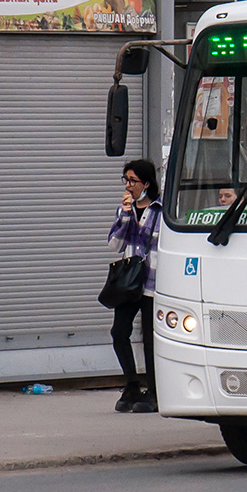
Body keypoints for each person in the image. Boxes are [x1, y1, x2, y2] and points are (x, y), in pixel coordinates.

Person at [108, 159, 163, 413]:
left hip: (152, 282)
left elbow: (151, 244)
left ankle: (154, 391)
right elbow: (114, 245)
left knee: (151, 339)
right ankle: (131, 384)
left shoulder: (160, 211)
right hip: (128, 283)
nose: (128, 186)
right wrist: (125, 216)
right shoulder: (125, 210)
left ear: (146, 183)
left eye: (133, 181)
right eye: (126, 180)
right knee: (119, 332)